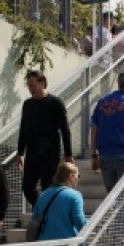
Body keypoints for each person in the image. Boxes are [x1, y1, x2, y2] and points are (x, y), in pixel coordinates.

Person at [16, 70, 73, 210]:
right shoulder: (28, 104)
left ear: (42, 83)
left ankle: (47, 213)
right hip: (32, 153)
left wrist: (68, 154)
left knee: (47, 186)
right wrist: (20, 152)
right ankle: (43, 210)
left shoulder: (55, 103)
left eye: (32, 84)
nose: (30, 88)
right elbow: (23, 128)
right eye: (28, 85)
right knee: (27, 188)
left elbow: (65, 129)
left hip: (49, 153)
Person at [30, 161, 87, 246]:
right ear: (71, 176)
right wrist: (94, 223)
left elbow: (35, 219)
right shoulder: (75, 196)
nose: (78, 179)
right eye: (78, 175)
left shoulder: (43, 195)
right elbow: (80, 222)